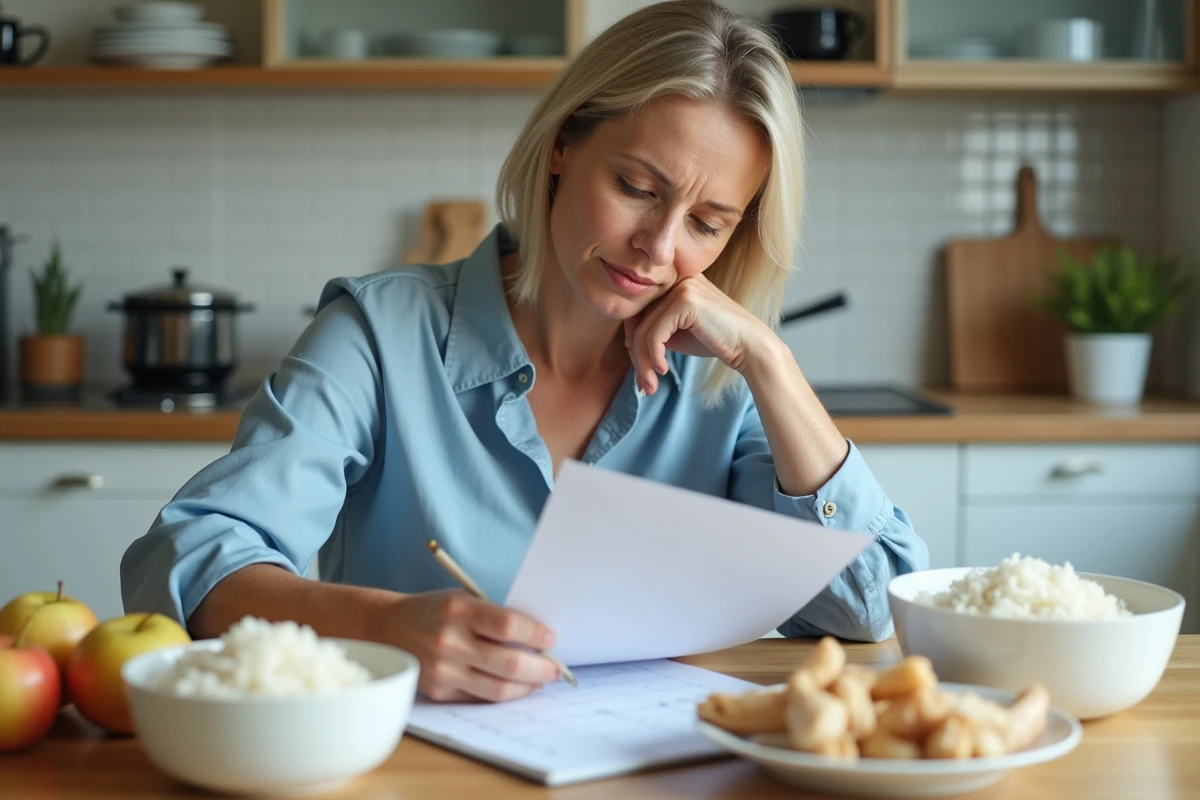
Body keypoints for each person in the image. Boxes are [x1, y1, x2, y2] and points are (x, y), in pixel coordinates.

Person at [121, 0, 928, 704]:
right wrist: (385, 626)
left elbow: (871, 606)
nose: (658, 246)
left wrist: (773, 365)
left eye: (707, 223)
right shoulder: (377, 334)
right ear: (563, 146)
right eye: (639, 188)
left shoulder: (728, 382)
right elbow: (187, 559)